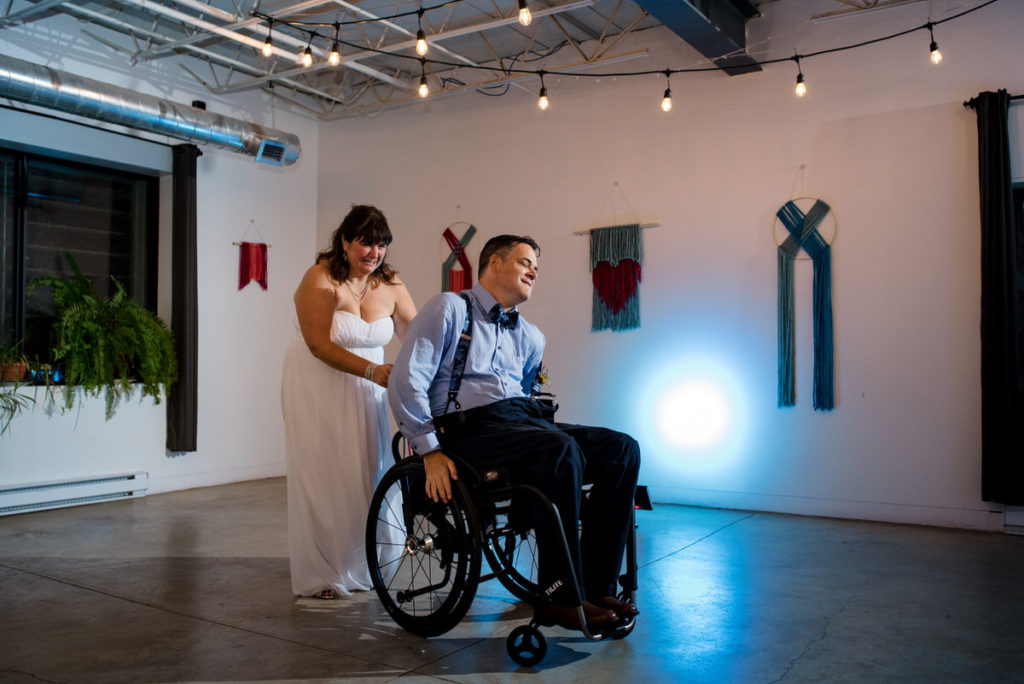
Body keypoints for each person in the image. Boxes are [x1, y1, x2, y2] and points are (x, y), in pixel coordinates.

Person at [388, 234, 640, 632]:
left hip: (519, 422)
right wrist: (429, 450)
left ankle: (596, 586)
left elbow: (529, 390)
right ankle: (559, 596)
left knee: (621, 449)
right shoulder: (450, 308)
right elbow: (405, 381)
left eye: (535, 266)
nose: (533, 271)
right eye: (524, 262)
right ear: (493, 264)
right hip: (465, 430)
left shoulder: (531, 335)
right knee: (557, 449)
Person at [281, 204, 416, 599]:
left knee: (368, 466)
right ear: (344, 241)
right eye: (366, 244)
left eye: (381, 245)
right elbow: (318, 344)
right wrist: (374, 372)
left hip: (368, 389)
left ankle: (369, 561)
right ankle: (326, 571)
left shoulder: (391, 285)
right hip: (319, 381)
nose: (374, 253)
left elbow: (416, 336)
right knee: (325, 471)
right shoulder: (319, 279)